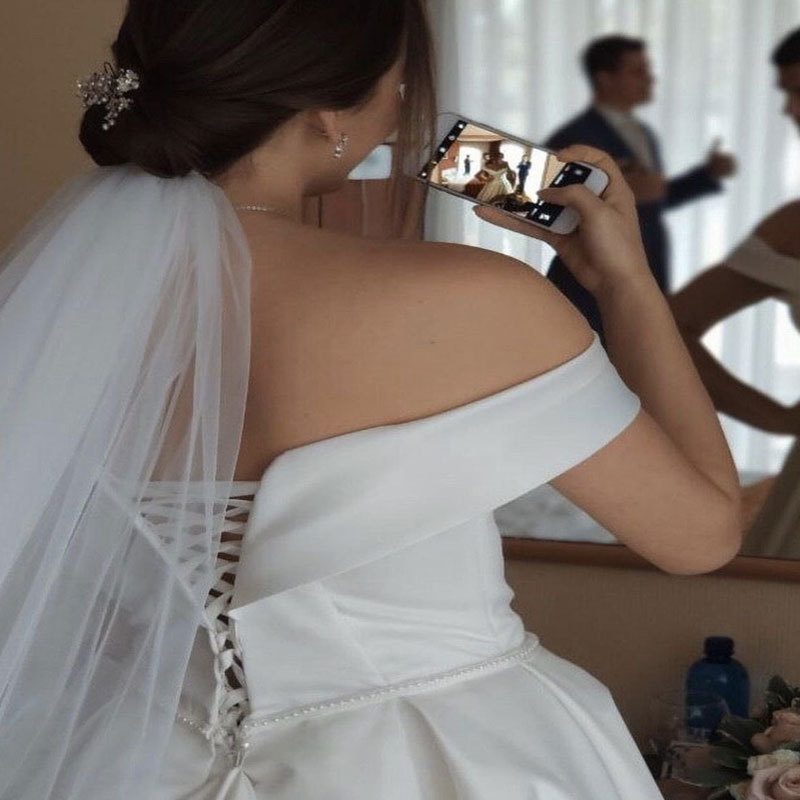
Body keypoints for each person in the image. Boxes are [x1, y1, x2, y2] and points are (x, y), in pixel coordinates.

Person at [0, 2, 740, 799]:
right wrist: (624, 281)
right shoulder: (471, 299)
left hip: (125, 758)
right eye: (396, 85)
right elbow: (699, 538)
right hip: (442, 757)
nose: (399, 111)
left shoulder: (53, 313)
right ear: (327, 115)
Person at [671, 27, 800, 556]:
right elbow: (671, 328)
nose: (790, 110)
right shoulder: (793, 228)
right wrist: (778, 417)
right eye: (787, 93)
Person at [545, 34, 737, 340]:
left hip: (645, 272)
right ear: (605, 79)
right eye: (638, 71)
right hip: (591, 286)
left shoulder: (644, 133)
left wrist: (707, 175)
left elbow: (654, 198)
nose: (651, 78)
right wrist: (616, 194)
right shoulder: (573, 138)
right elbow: (553, 208)